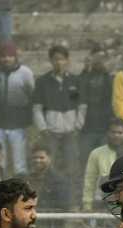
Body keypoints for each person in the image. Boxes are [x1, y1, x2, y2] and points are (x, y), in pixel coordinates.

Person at [33, 45, 82, 180]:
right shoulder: (43, 81)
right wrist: (43, 128)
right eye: (55, 59)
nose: (59, 62)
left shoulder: (74, 80)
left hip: (70, 130)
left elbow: (81, 106)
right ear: (51, 61)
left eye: (62, 59)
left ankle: (71, 192)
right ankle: (50, 191)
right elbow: (37, 108)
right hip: (51, 130)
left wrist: (77, 126)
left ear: (67, 61)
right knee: (49, 163)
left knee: (71, 163)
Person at [0, 42, 34, 176]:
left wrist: (29, 121)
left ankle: (22, 190)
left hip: (18, 123)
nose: (6, 59)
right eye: (3, 56)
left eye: (9, 56)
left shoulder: (25, 72)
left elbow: (32, 96)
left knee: (19, 162)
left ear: (15, 57)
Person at [82, 119, 123, 211]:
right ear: (107, 133)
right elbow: (90, 180)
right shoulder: (96, 153)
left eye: (120, 133)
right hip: (101, 202)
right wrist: (87, 205)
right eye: (113, 132)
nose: (116, 135)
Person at [79, 44, 114, 164]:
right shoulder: (85, 76)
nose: (99, 61)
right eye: (96, 58)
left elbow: (112, 97)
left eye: (102, 58)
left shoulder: (109, 78)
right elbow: (79, 92)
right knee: (85, 160)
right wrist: (85, 69)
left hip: (104, 125)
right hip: (87, 126)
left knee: (104, 161)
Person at [27, 145, 72, 211]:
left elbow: (62, 207)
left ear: (49, 158)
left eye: (41, 158)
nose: (37, 160)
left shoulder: (59, 180)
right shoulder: (27, 179)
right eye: (35, 157)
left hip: (49, 218)